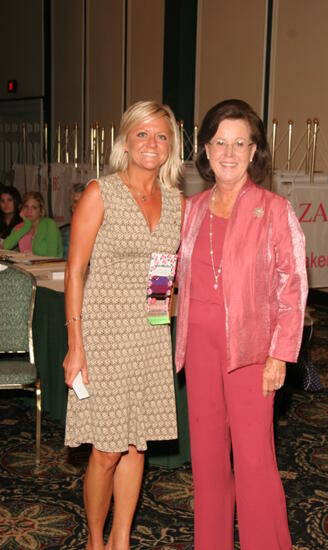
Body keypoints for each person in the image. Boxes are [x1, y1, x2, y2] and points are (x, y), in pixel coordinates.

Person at [175, 99, 308, 550]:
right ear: (206, 149)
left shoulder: (274, 210)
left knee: (254, 461)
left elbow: (293, 287)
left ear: (254, 152)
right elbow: (163, 273)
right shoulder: (189, 210)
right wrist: (156, 320)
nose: (228, 153)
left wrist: (280, 355)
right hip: (199, 347)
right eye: (219, 142)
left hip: (253, 352)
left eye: (239, 143)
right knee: (208, 461)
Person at [63, 100, 184, 550]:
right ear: (126, 141)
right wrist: (76, 345)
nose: (152, 144)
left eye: (162, 135)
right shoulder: (101, 192)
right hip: (103, 335)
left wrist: (164, 317)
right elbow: (76, 271)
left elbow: (163, 272)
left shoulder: (175, 201)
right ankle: (96, 541)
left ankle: (121, 541)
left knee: (138, 445)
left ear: (172, 145)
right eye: (142, 134)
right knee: (107, 449)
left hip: (150, 333)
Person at [2, 191, 63, 257]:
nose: (29, 211)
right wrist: (26, 227)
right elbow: (5, 246)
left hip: (51, 266)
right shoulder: (20, 227)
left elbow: (52, 257)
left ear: (41, 211)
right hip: (27, 266)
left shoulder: (49, 224)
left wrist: (34, 257)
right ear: (22, 208)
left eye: (34, 207)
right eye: (26, 207)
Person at [61, 183, 87, 259]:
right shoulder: (66, 232)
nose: (79, 205)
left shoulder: (99, 231)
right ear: (72, 206)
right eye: (76, 202)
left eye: (82, 201)